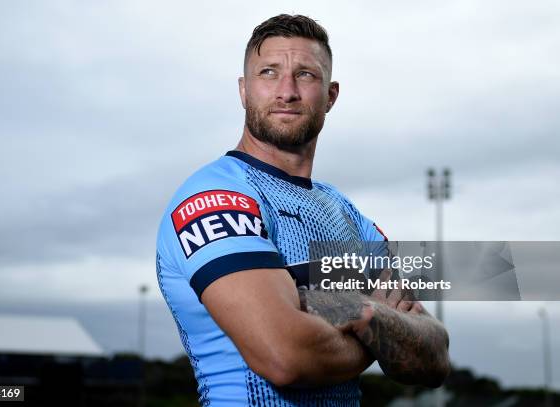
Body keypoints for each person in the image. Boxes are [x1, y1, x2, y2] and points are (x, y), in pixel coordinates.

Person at [156, 14, 450, 406]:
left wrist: (358, 311)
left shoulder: (345, 213)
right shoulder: (218, 196)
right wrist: (379, 330)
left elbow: (432, 356)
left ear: (331, 95)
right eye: (269, 73)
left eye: (306, 75)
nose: (287, 91)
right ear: (244, 91)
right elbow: (286, 355)